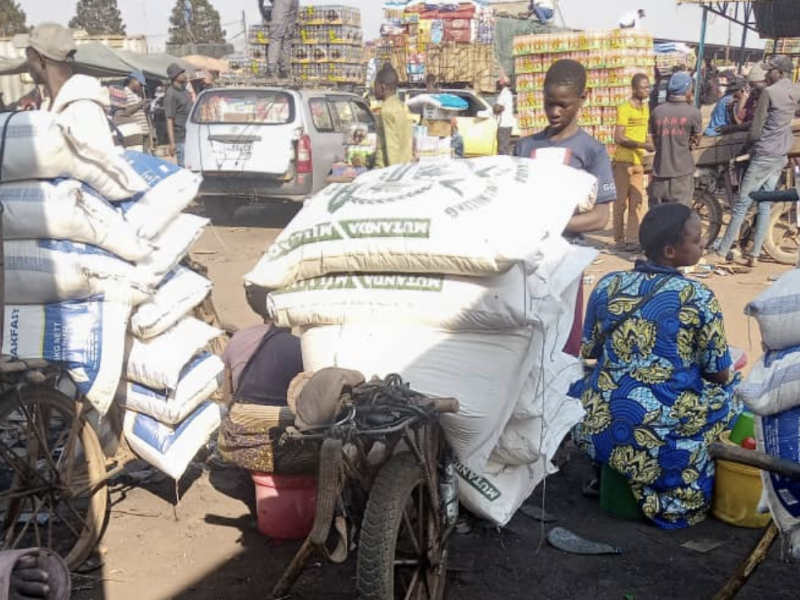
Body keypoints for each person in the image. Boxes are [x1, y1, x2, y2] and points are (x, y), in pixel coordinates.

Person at [570, 203, 740, 529]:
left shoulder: (608, 285)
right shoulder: (697, 296)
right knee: (731, 399)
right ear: (671, 251)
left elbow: (589, 349)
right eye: (697, 239)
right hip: (655, 427)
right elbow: (718, 374)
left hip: (597, 425)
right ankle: (663, 480)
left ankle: (605, 470)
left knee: (592, 387)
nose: (703, 244)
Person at [514, 59, 615, 355]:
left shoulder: (592, 151)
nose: (554, 112)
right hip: (527, 262)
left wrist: (552, 223)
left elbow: (600, 217)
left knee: (565, 342)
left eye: (563, 105)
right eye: (548, 104)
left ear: (583, 99)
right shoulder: (525, 148)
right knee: (524, 339)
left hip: (567, 262)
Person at [714, 56, 800, 266]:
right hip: (780, 155)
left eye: (769, 71)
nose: (766, 74)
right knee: (764, 203)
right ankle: (753, 255)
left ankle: (721, 250)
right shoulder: (796, 91)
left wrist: (743, 149)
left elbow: (755, 130)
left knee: (743, 201)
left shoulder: (769, 92)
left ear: (779, 72)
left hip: (764, 153)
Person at [14, 22, 116, 153]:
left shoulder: (83, 109)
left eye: (28, 56)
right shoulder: (48, 106)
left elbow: (103, 167)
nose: (27, 65)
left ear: (40, 59)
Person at [222, 284, 303, 406]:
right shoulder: (297, 346)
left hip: (241, 413)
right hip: (280, 415)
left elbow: (226, 391)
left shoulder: (238, 337)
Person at [613, 73, 654, 251]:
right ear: (635, 89)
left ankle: (632, 239)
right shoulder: (624, 108)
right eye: (644, 87)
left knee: (637, 202)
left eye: (648, 87)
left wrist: (649, 145)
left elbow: (645, 132)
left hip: (638, 162)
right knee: (621, 202)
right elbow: (618, 137)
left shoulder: (645, 109)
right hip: (623, 162)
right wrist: (642, 144)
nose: (648, 90)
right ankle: (619, 239)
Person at [648, 72, 703, 206]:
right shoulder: (693, 112)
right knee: (680, 218)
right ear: (688, 90)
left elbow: (653, 142)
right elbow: (697, 141)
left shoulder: (657, 112)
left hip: (659, 173)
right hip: (682, 175)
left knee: (659, 218)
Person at [374, 63, 413, 168]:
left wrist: (392, 174)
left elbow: (392, 147)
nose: (374, 89)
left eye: (375, 85)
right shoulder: (400, 106)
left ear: (382, 87)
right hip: (405, 165)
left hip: (389, 171)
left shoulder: (387, 110)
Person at [164, 63, 192, 167]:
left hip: (190, 135)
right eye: (181, 73)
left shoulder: (184, 91)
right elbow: (169, 119)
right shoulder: (171, 94)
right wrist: (172, 143)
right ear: (176, 77)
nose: (184, 74)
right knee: (184, 167)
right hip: (180, 137)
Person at [265, 0, 299, 79]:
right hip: (294, 3)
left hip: (281, 3)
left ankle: (271, 70)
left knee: (276, 36)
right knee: (287, 37)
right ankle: (284, 70)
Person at [494, 76, 516, 156]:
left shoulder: (504, 93)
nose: (498, 83)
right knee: (505, 147)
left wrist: (496, 108)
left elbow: (497, 108)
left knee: (502, 148)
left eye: (500, 82)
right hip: (508, 124)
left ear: (503, 83)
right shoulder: (508, 93)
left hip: (503, 124)